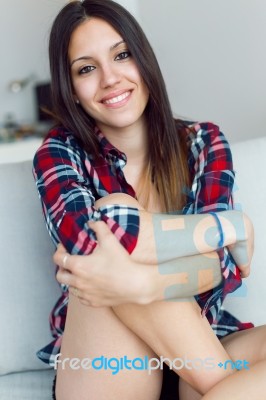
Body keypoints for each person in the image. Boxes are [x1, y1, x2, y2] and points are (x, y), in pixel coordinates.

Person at [32, 1, 266, 399]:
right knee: (109, 220)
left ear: (144, 60)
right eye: (86, 68)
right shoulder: (59, 152)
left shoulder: (203, 142)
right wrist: (229, 227)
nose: (110, 79)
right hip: (109, 358)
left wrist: (141, 283)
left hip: (201, 338)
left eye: (122, 55)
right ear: (70, 87)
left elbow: (220, 269)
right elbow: (96, 244)